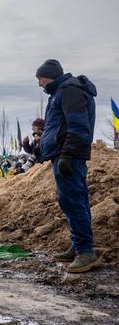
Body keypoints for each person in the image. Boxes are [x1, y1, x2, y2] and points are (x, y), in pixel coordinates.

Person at [35, 59, 99, 273]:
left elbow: (78, 126)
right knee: (73, 200)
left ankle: (86, 252)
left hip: (69, 156)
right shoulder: (60, 92)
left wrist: (68, 155)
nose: (39, 84)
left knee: (73, 200)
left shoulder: (69, 90)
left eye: (40, 79)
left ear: (50, 75)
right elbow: (57, 126)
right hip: (64, 153)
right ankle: (78, 246)